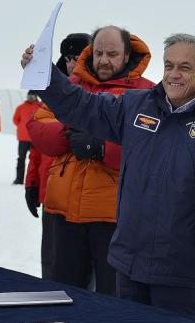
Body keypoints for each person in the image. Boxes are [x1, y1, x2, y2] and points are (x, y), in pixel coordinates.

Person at [21, 31, 195, 317]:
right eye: (169, 65)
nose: (174, 74)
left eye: (184, 67)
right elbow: (81, 105)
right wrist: (45, 75)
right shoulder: (136, 106)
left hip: (181, 276)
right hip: (128, 267)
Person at [26, 27, 154, 296]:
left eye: (112, 54)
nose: (104, 60)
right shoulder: (70, 86)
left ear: (128, 54)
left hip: (114, 218)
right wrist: (70, 133)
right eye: (98, 53)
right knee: (61, 295)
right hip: (63, 212)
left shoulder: (147, 94)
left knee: (111, 299)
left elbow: (149, 148)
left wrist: (101, 147)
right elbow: (38, 126)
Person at [24, 33, 91, 279]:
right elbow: (38, 144)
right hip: (53, 194)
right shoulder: (53, 92)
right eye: (69, 58)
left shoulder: (93, 94)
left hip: (88, 199)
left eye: (80, 57)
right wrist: (32, 182)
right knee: (53, 269)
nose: (73, 63)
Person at [11, 91, 41, 184]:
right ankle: (19, 179)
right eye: (29, 96)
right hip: (23, 139)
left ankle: (36, 180)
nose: (30, 98)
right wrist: (22, 127)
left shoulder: (40, 107)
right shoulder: (20, 107)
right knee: (21, 159)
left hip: (35, 139)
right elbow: (15, 120)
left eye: (32, 96)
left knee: (36, 160)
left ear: (36, 97)